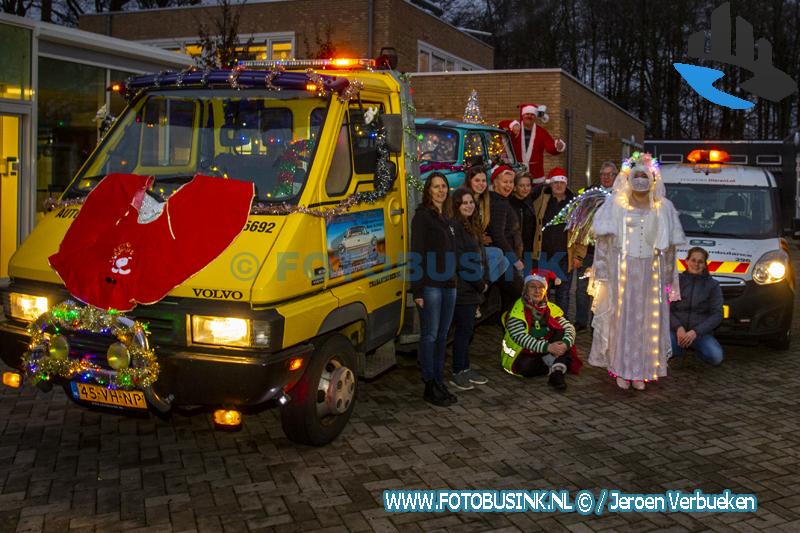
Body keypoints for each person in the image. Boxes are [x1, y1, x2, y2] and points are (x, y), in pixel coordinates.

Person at [588, 152, 685, 390]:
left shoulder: (664, 208)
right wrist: (602, 275)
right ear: (629, 177)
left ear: (653, 178)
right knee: (623, 320)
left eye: (645, 175)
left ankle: (642, 370)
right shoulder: (616, 205)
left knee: (647, 322)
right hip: (624, 271)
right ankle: (622, 368)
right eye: (636, 175)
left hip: (651, 273)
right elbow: (603, 245)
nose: (640, 180)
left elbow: (670, 251)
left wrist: (669, 281)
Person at [411, 172, 458, 406]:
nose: (441, 190)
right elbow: (416, 253)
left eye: (444, 186)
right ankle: (429, 383)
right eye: (436, 187)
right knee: (429, 335)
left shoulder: (447, 217)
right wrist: (417, 290)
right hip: (430, 285)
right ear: (428, 191)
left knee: (442, 336)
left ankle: (439, 380)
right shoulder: (422, 217)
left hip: (449, 285)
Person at [500, 271, 578, 390]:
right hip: (524, 353)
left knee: (562, 332)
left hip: (545, 349)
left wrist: (565, 344)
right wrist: (549, 348)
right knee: (524, 368)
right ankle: (555, 364)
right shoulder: (517, 309)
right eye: (533, 287)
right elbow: (520, 337)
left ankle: (557, 373)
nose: (537, 291)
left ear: (545, 290)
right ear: (526, 290)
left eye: (541, 287)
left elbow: (569, 327)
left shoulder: (549, 307)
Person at [448, 189, 490, 390]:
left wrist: (485, 278)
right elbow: (462, 262)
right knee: (463, 332)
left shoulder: (472, 226)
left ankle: (465, 368)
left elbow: (481, 256)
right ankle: (457, 371)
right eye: (464, 203)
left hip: (474, 287)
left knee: (468, 331)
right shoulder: (455, 227)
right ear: (456, 205)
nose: (469, 205)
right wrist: (480, 284)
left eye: (471, 202)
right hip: (463, 289)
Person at [574, 161, 619, 330]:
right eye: (603, 174)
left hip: (608, 251)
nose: (606, 177)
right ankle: (580, 321)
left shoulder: (621, 196)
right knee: (581, 287)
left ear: (616, 176)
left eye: (610, 174)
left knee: (602, 289)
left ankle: (597, 322)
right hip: (588, 249)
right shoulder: (591, 193)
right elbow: (580, 221)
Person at [669, 247, 724, 366]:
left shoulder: (713, 285)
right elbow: (666, 309)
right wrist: (678, 327)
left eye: (700, 261)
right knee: (663, 351)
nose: (696, 264)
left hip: (700, 334)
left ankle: (697, 349)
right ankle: (679, 350)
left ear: (705, 265)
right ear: (686, 261)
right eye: (693, 260)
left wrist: (696, 332)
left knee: (716, 357)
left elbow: (717, 314)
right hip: (676, 332)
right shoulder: (676, 282)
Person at [533, 167, 575, 313]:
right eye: (555, 182)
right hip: (544, 255)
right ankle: (544, 323)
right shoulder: (542, 201)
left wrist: (579, 256)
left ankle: (561, 325)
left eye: (561, 182)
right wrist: (543, 184)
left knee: (562, 294)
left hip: (564, 256)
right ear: (550, 184)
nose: (558, 185)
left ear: (566, 184)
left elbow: (581, 232)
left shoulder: (574, 204)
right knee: (542, 292)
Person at [461, 165, 509, 283]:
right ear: (469, 181)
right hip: (463, 246)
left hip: (478, 245)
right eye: (477, 180)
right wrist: (477, 239)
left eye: (483, 181)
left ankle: (482, 286)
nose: (481, 184)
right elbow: (460, 227)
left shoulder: (484, 201)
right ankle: (478, 285)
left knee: (504, 262)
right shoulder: (463, 200)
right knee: (497, 254)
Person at [487, 165, 525, 303]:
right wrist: (515, 260)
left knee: (506, 298)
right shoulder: (498, 203)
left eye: (511, 182)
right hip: (505, 259)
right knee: (519, 292)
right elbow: (497, 235)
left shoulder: (500, 200)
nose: (508, 185)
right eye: (505, 182)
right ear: (495, 182)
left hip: (505, 256)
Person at [508, 103, 566, 184]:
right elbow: (501, 125)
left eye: (532, 114)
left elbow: (551, 148)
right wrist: (512, 125)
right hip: (516, 174)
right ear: (522, 115)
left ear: (535, 117)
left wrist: (558, 147)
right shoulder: (514, 129)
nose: (529, 116)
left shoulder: (541, 132)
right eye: (527, 114)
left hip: (536, 177)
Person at [509, 170, 536, 260]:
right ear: (515, 187)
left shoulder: (531, 202)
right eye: (521, 186)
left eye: (528, 185)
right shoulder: (509, 204)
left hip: (529, 251)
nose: (525, 189)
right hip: (513, 251)